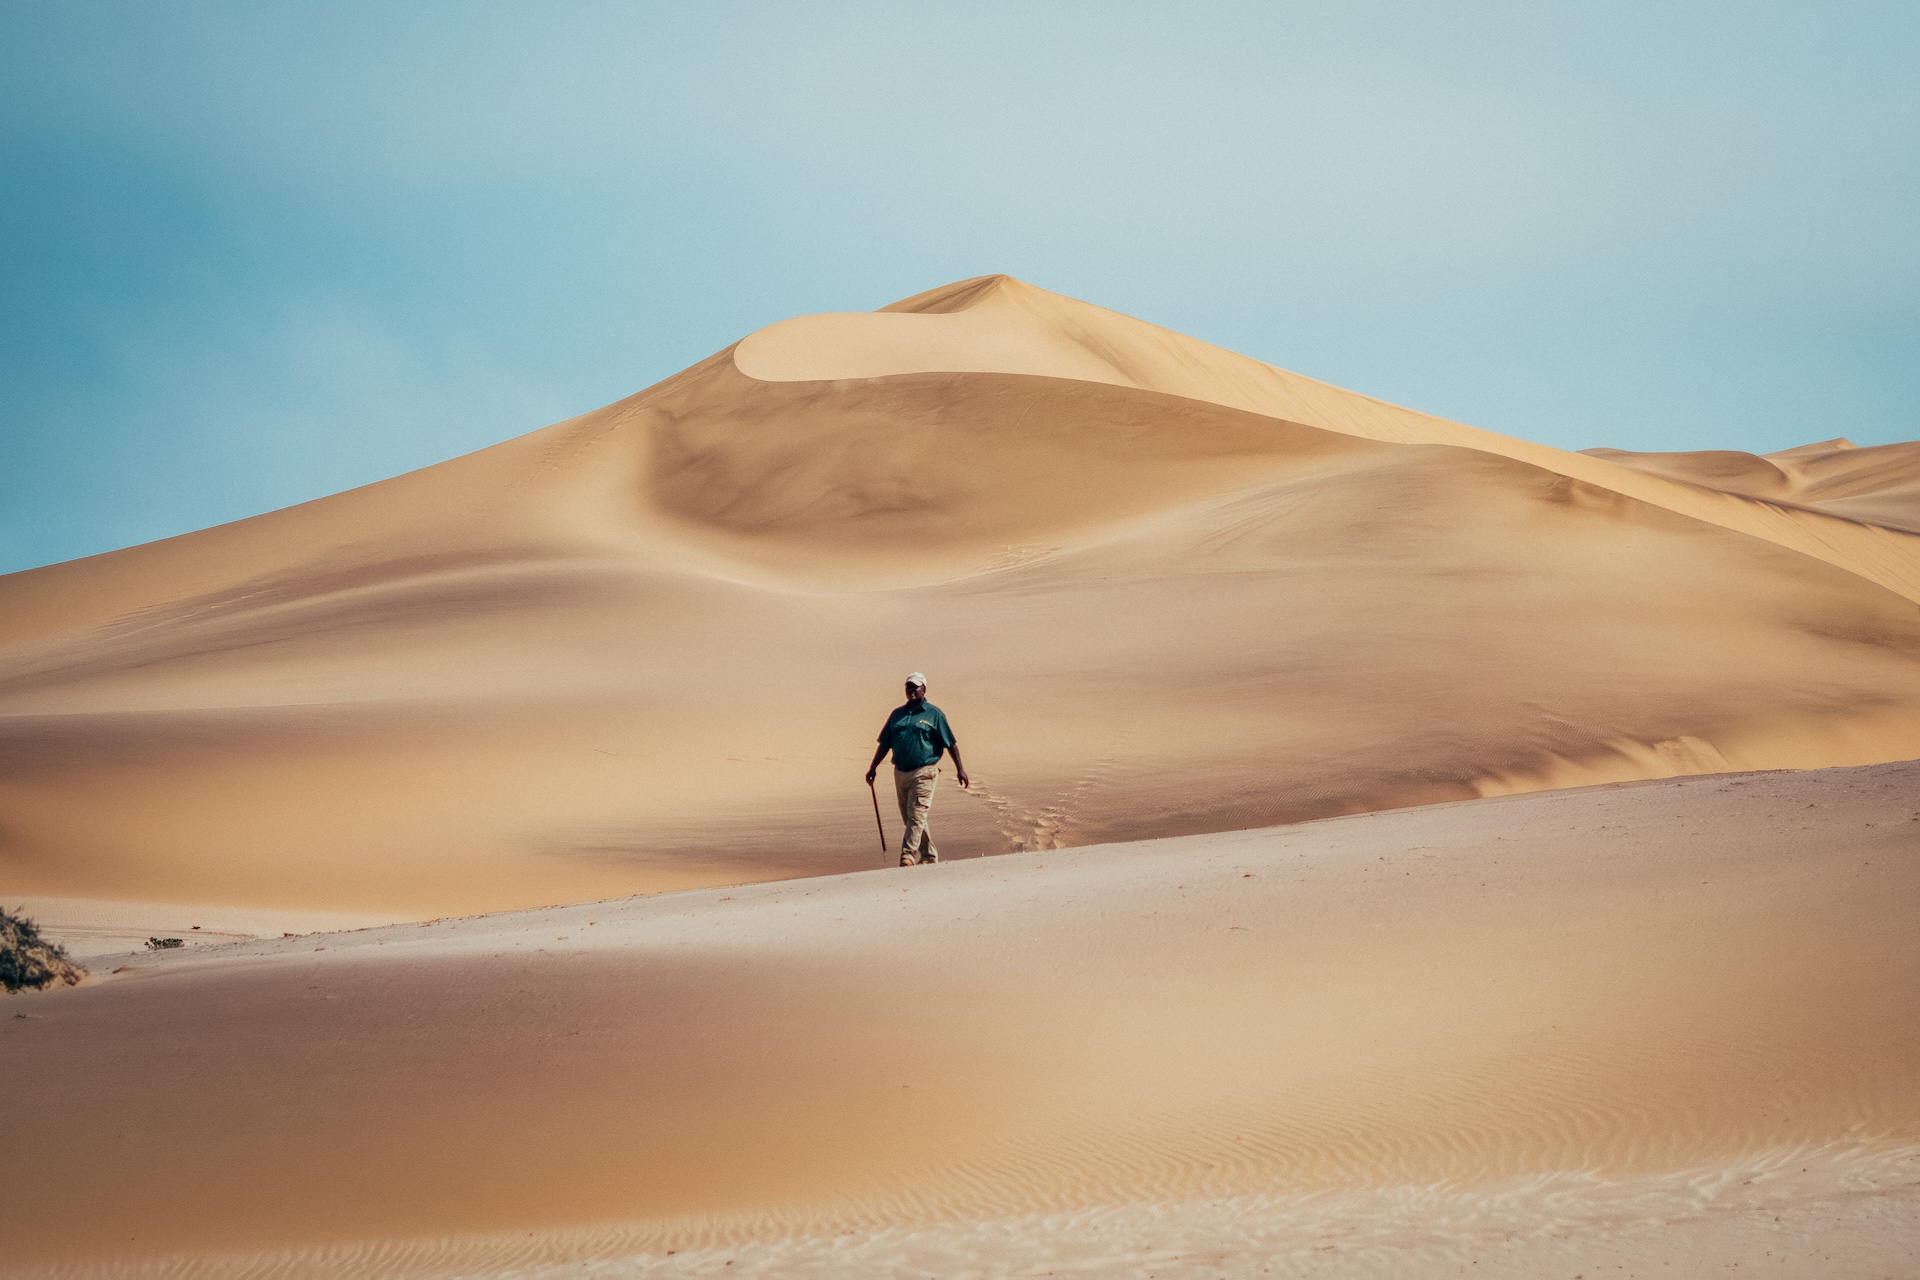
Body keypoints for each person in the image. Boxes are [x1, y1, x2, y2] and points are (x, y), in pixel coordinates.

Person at [866, 673, 969, 866]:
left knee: (917, 814)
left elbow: (951, 744)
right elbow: (884, 744)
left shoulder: (934, 714)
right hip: (901, 772)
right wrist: (873, 768)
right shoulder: (897, 715)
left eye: (915, 687)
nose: (911, 691)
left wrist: (960, 769)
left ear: (924, 690)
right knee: (910, 817)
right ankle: (929, 855)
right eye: (908, 687)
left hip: (925, 772)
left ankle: (908, 855)